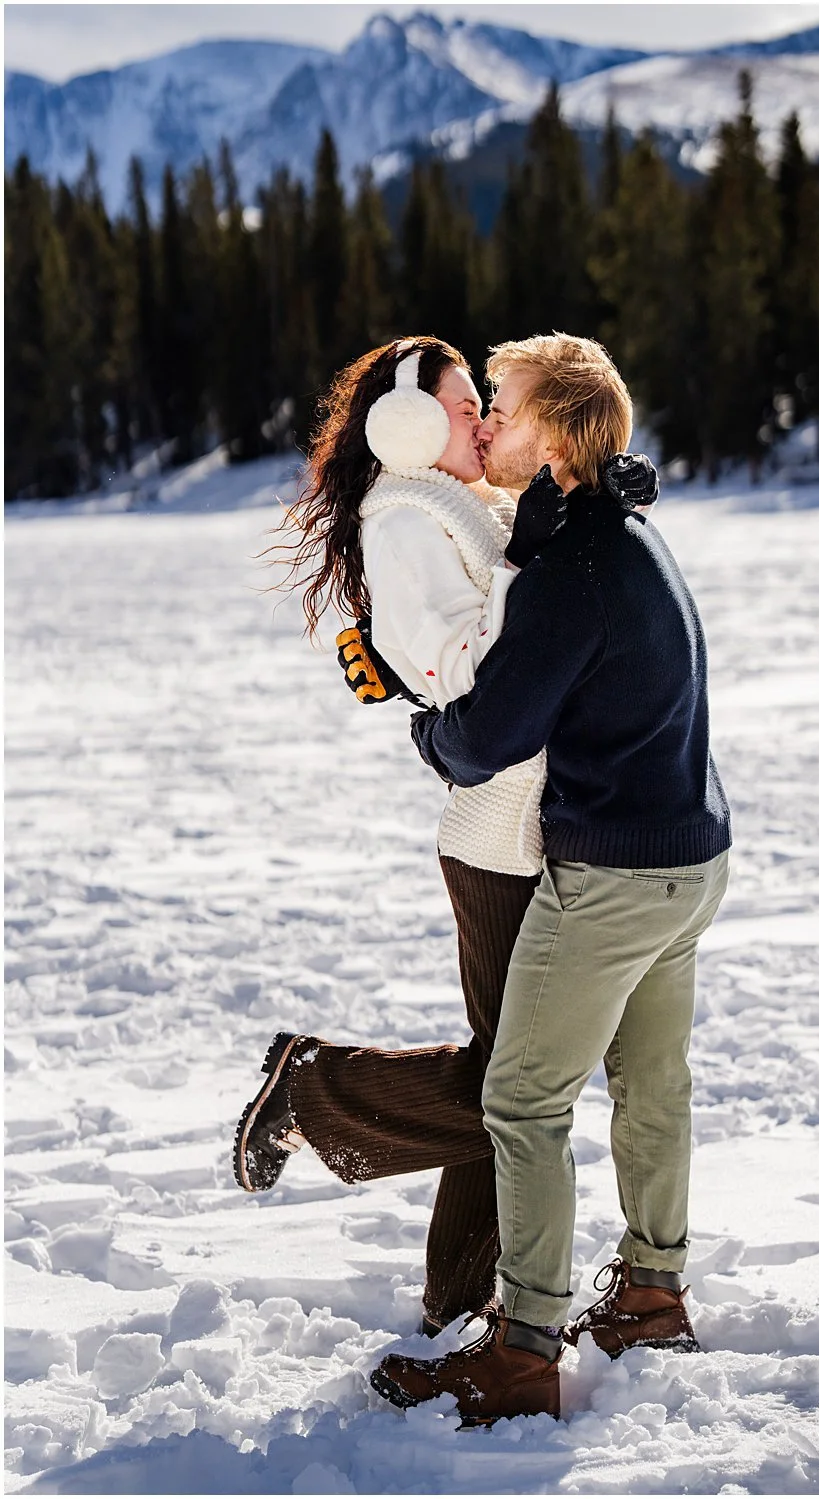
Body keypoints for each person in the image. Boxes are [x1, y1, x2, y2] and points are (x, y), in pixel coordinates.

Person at [369, 334, 733, 1425]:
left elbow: (489, 737)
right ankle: (654, 1291)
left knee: (522, 1100)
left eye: (507, 406)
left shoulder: (573, 568)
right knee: (652, 1082)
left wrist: (427, 729)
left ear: (559, 435)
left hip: (613, 873)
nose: (489, 423)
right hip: (691, 856)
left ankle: (524, 1349)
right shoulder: (621, 533)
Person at [241, 335, 568, 1338]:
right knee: (515, 1085)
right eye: (464, 404)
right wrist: (527, 561)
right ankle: (315, 1090)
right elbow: (463, 671)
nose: (480, 421)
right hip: (497, 835)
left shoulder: (469, 509)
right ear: (408, 423)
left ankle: (458, 1300)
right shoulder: (405, 523)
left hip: (531, 823)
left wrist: (588, 510)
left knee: (510, 1077)